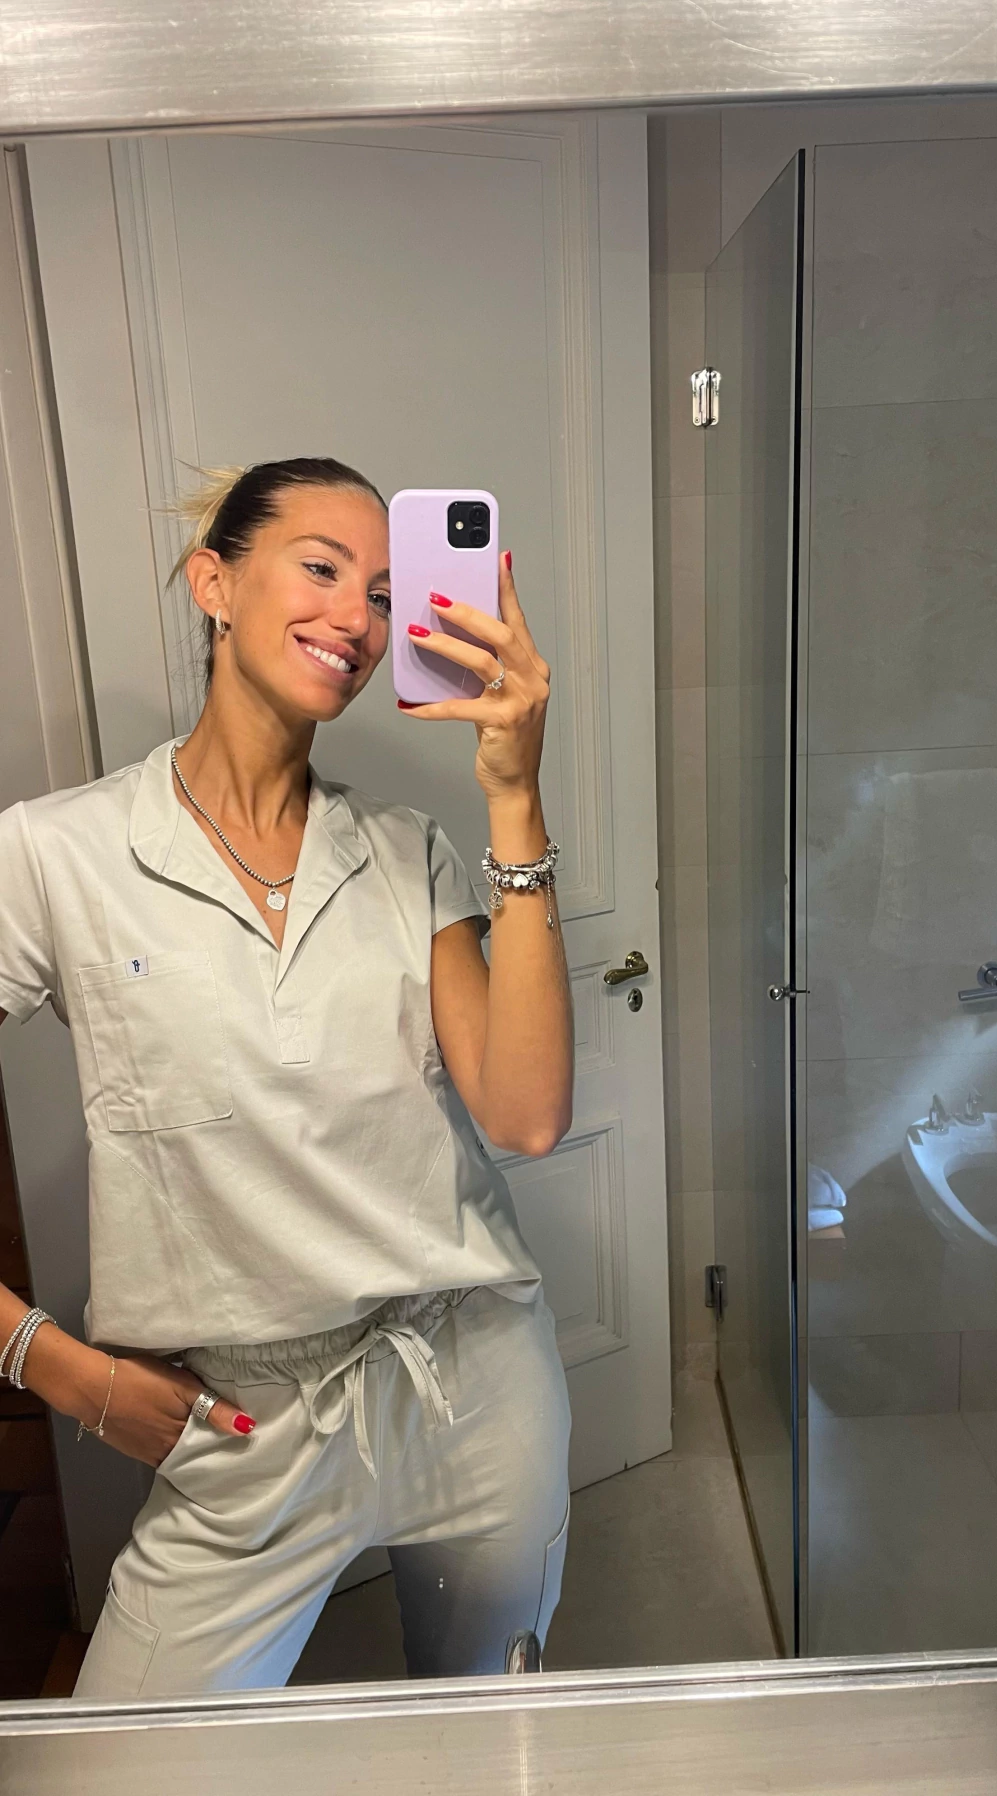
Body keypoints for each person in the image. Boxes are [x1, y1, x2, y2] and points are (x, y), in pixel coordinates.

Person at [0, 457, 573, 1697]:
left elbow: (527, 1114)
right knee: (126, 1769)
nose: (357, 617)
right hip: (246, 1425)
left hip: (471, 1377)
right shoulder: (54, 854)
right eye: (321, 568)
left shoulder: (410, 852)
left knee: (487, 1731)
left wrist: (515, 794)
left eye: (385, 594)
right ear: (214, 582)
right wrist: (50, 1361)